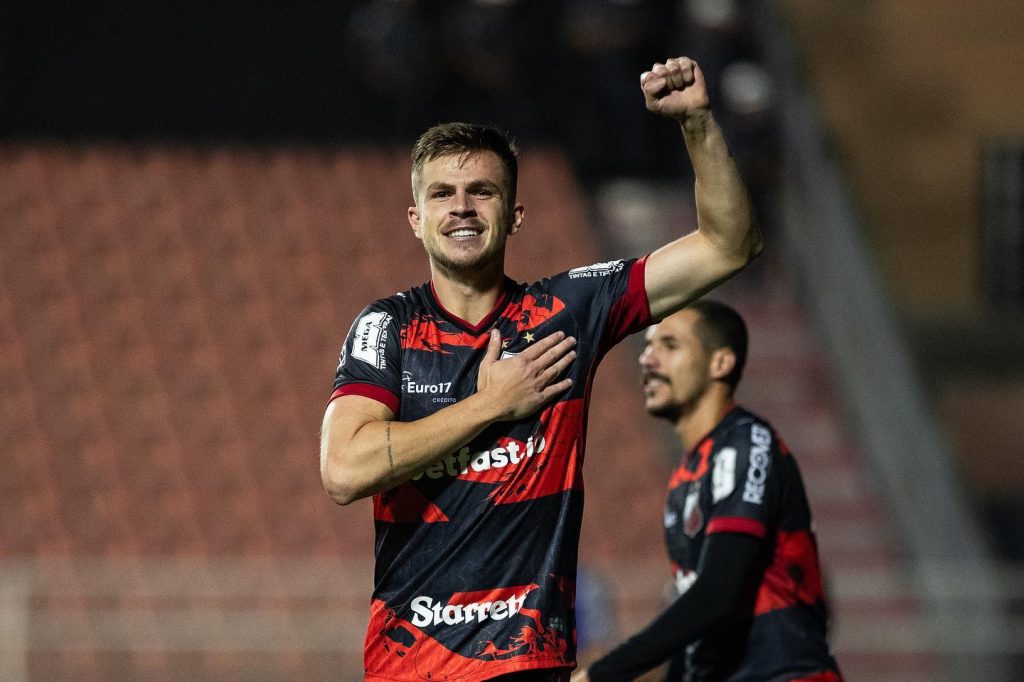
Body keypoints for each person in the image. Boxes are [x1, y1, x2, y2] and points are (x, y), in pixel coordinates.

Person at [320, 57, 763, 681]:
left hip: (531, 663)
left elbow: (728, 246)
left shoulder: (567, 311)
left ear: (515, 215)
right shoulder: (387, 327)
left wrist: (696, 127)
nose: (463, 208)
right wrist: (490, 405)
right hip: (411, 665)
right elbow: (343, 471)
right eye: (442, 195)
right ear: (417, 222)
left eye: (483, 192)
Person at [573, 301, 842, 681]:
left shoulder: (747, 445)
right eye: (648, 346)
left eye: (670, 345)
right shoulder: (687, 477)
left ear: (720, 364)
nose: (648, 359)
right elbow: (697, 631)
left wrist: (599, 674)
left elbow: (716, 595)